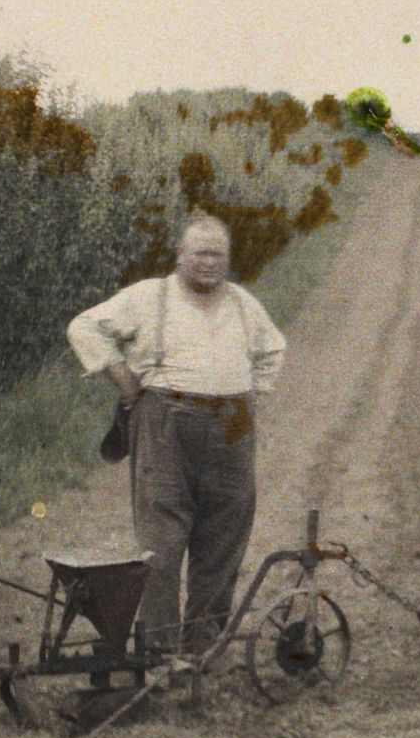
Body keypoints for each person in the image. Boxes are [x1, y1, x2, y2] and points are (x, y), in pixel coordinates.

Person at [68, 214, 288, 656]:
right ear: (180, 256)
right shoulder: (150, 296)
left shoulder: (243, 303)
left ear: (227, 258)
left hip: (232, 428)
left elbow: (273, 351)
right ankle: (159, 651)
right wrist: (125, 381)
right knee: (161, 541)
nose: (209, 262)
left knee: (224, 536)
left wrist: (247, 396)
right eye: (200, 253)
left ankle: (204, 648)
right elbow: (84, 327)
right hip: (166, 422)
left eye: (218, 253)